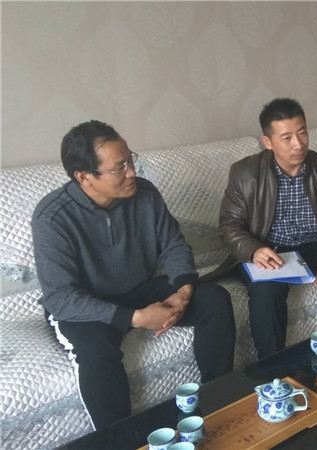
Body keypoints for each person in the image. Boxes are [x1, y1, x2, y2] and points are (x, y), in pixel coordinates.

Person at [32, 121, 235, 430]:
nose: (131, 172)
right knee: (97, 352)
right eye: (119, 168)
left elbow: (173, 245)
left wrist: (183, 289)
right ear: (84, 177)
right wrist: (136, 318)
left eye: (130, 160)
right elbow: (61, 298)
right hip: (85, 306)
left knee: (214, 299)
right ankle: (120, 439)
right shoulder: (52, 217)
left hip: (138, 288)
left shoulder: (145, 193)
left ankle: (219, 403)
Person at [210, 97, 317, 359]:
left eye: (302, 133)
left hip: (316, 246)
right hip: (271, 252)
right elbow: (229, 225)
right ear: (268, 142)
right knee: (266, 293)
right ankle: (273, 368)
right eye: (287, 138)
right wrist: (254, 250)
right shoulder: (245, 173)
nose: (298, 144)